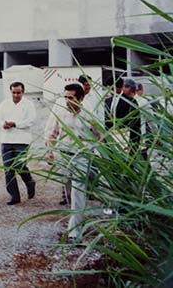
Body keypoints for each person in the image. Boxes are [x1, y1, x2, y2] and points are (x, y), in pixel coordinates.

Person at [45, 83, 101, 242]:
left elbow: (100, 135)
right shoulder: (62, 113)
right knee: (68, 190)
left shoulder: (89, 115)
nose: (67, 101)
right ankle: (75, 218)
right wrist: (50, 151)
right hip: (64, 156)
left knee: (78, 191)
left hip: (82, 157)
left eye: (71, 98)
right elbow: (53, 133)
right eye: (65, 97)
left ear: (81, 98)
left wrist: (98, 153)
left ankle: (75, 232)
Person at [0, 81, 36, 205]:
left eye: (19, 92)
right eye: (14, 92)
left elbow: (31, 120)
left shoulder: (28, 104)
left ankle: (29, 182)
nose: (16, 95)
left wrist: (15, 124)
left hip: (22, 140)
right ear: (10, 91)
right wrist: (3, 124)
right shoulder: (5, 103)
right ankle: (14, 196)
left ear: (23, 92)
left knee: (19, 166)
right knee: (8, 170)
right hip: (6, 140)